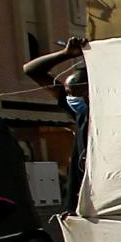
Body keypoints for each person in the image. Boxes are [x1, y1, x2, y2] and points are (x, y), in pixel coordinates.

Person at [24, 36, 90, 211]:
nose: (75, 99)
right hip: (79, 206)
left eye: (81, 93)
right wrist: (66, 54)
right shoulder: (79, 113)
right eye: (71, 93)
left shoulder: (108, 114)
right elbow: (31, 70)